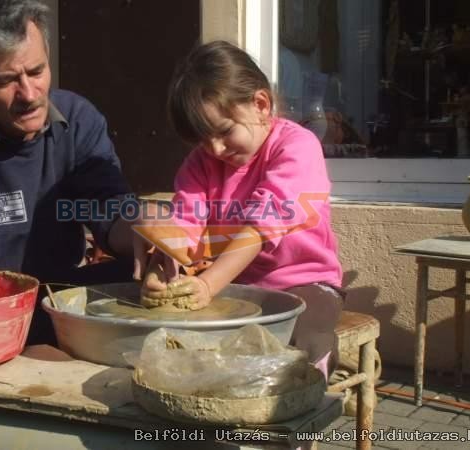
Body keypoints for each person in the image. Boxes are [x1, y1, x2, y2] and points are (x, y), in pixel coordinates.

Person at [0, 1, 156, 448]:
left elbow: (106, 208)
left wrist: (143, 233)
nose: (30, 94)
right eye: (6, 80)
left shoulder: (76, 120)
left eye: (36, 71)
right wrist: (48, 361)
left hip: (54, 304)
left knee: (145, 285)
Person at [143, 40, 344, 382]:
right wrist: (161, 268)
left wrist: (208, 284)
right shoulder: (202, 163)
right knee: (183, 348)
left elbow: (258, 229)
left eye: (223, 132)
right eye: (203, 140)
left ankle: (302, 412)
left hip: (305, 283)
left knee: (304, 346)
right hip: (238, 285)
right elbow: (182, 224)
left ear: (261, 105)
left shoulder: (297, 147)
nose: (215, 149)